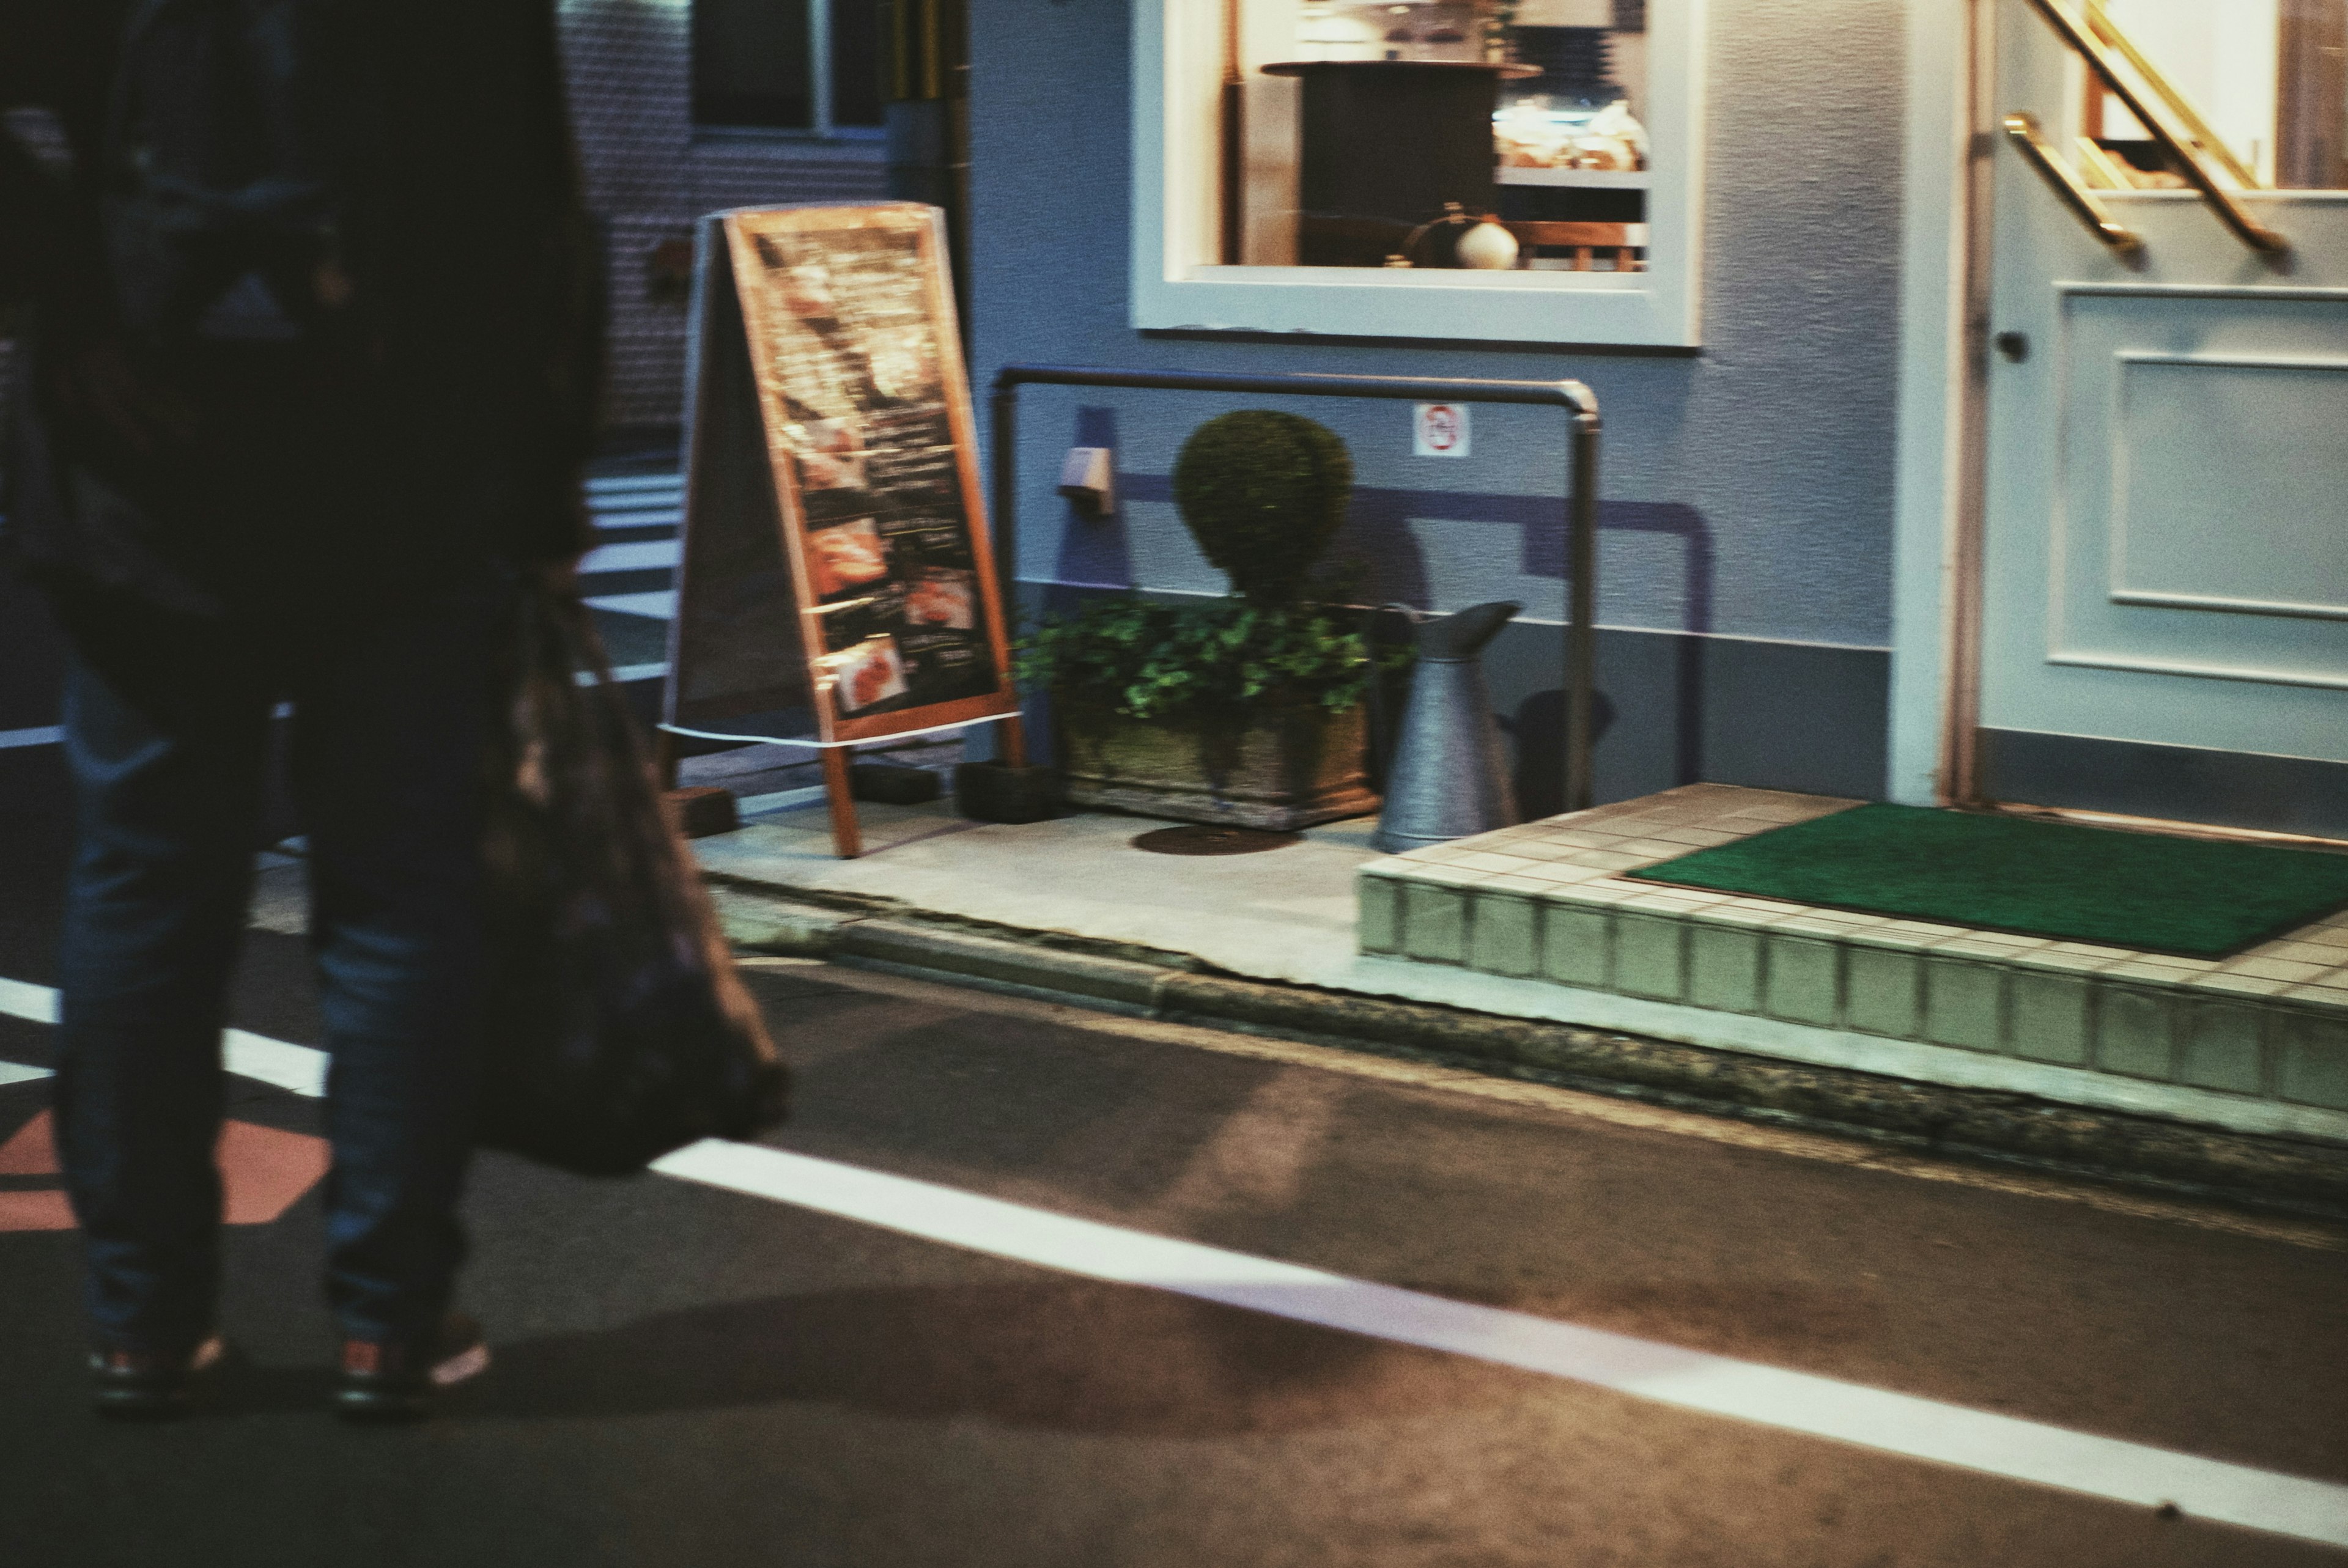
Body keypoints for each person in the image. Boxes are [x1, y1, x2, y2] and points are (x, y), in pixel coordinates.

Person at [0, 0, 602, 1419]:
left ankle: (146, 1325)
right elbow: (532, 200)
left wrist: (67, 294)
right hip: (405, 453)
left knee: (146, 882)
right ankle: (390, 1323)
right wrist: (545, 485)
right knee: (397, 888)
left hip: (151, 455)